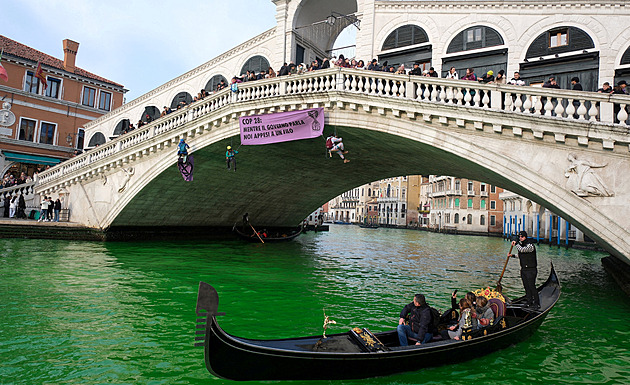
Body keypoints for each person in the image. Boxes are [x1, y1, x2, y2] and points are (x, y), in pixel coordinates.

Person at [508, 231, 540, 309]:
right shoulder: (522, 245)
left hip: (531, 270)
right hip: (524, 270)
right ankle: (529, 302)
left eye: (522, 237)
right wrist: (512, 255)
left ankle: (537, 303)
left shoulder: (530, 246)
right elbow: (521, 255)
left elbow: (522, 250)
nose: (520, 238)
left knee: (531, 286)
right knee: (526, 286)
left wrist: (516, 243)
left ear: (525, 237)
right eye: (519, 237)